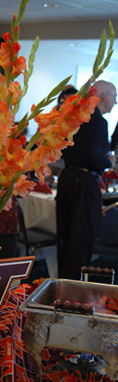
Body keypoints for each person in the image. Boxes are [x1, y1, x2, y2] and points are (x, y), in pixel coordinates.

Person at [56, 80, 117, 280]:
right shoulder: (99, 121)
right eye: (114, 96)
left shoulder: (77, 115)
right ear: (105, 96)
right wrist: (108, 161)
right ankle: (73, 291)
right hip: (85, 183)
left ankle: (61, 285)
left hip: (67, 177)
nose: (115, 102)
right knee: (81, 240)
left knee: (65, 238)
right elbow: (94, 157)